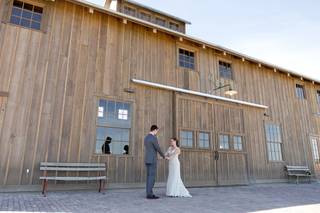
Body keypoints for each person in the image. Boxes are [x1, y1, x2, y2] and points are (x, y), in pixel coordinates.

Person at [144, 125, 168, 199]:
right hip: (152, 160)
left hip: (147, 159)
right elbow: (158, 148)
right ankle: (150, 194)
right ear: (154, 130)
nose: (157, 132)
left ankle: (148, 193)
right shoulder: (153, 138)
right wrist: (164, 156)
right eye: (157, 131)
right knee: (152, 177)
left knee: (148, 177)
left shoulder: (146, 138)